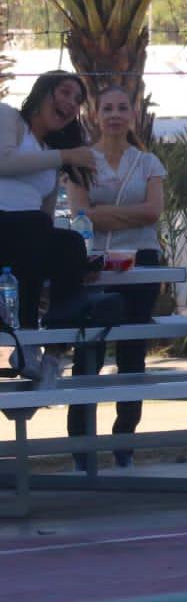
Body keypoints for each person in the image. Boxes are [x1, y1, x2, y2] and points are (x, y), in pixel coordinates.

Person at [65, 84, 168, 464]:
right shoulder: (81, 162)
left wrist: (100, 213)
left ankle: (124, 437)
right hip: (93, 261)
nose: (114, 115)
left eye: (122, 107)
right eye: (107, 108)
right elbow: (79, 213)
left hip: (142, 259)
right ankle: (79, 444)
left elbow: (153, 212)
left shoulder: (148, 163)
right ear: (95, 114)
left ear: (133, 114)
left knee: (132, 350)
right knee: (87, 348)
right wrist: (123, 214)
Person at [0, 71, 94, 386]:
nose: (70, 103)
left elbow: (47, 215)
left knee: (69, 245)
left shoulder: (51, 159)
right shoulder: (10, 118)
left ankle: (54, 351)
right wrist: (65, 155)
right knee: (33, 226)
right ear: (43, 92)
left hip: (28, 236)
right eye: (65, 93)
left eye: (77, 100)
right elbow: (4, 160)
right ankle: (25, 337)